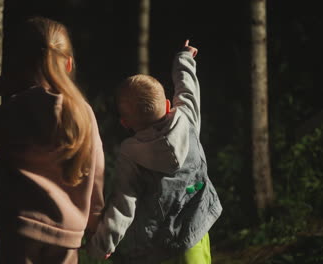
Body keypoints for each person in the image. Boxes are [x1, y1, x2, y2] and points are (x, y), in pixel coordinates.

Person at [0, 16, 105, 264]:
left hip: (20, 229)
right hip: (68, 234)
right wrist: (94, 223)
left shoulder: (21, 107)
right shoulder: (84, 112)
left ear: (20, 65)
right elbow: (97, 173)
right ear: (68, 64)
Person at [85, 41, 222, 264]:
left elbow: (123, 204)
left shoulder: (131, 154)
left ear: (125, 122)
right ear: (168, 105)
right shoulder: (186, 118)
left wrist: (102, 245)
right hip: (195, 231)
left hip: (157, 248)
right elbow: (188, 89)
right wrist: (184, 59)